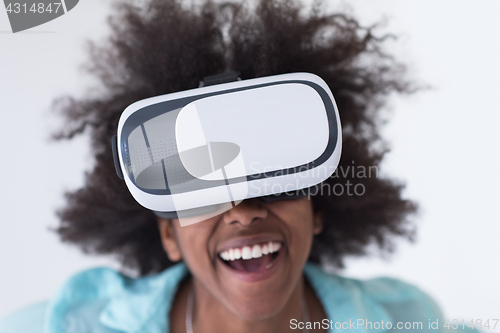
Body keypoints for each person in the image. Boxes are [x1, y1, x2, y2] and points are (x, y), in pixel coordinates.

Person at [0, 0, 470, 332]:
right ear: (169, 234)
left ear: (319, 207)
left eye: (279, 178)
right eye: (203, 186)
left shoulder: (411, 318)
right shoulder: (62, 325)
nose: (243, 210)